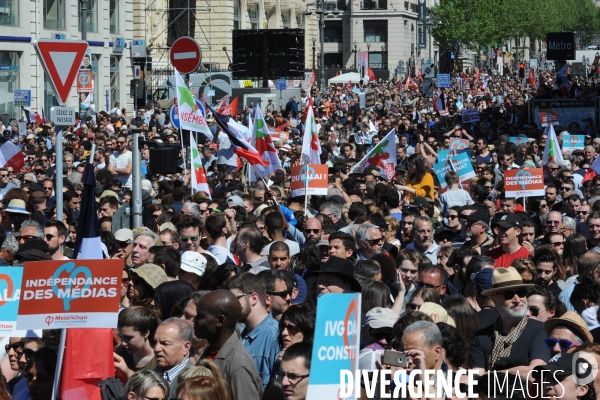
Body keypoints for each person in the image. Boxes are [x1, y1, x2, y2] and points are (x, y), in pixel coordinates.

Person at [468, 267, 549, 374]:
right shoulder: (480, 337)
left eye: (521, 293)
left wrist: (491, 374)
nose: (517, 299)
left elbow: (536, 372)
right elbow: (476, 376)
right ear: (494, 300)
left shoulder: (540, 330)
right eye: (509, 295)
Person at [193, 290, 263, 399]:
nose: (194, 319)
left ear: (220, 320)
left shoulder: (238, 364)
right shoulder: (209, 352)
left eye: (201, 316)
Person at [225, 273, 280, 387]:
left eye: (235, 299)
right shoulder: (237, 333)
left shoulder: (275, 335)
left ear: (253, 298)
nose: (230, 305)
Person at [114, 306, 160, 379]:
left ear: (146, 333)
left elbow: (150, 388)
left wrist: (127, 371)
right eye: (121, 337)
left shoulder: (159, 359)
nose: (123, 343)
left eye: (128, 338)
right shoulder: (122, 351)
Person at [154, 318, 194, 398]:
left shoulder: (194, 381)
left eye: (165, 343)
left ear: (186, 347)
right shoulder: (153, 373)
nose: (156, 348)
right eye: (155, 342)